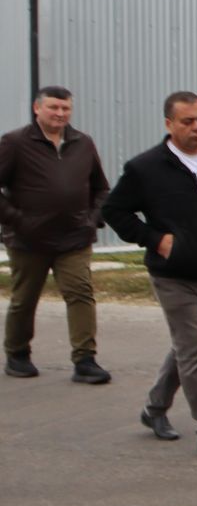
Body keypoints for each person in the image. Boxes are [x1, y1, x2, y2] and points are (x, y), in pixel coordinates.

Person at [102, 91, 197, 458]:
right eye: (188, 121)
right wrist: (155, 240)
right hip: (174, 277)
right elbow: (114, 210)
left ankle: (154, 409)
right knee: (193, 350)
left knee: (190, 348)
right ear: (169, 124)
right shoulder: (145, 168)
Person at [2, 85, 112, 384]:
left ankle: (85, 360)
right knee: (25, 298)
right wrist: (16, 220)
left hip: (74, 237)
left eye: (65, 108)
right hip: (29, 240)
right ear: (37, 109)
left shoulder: (82, 143)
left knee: (80, 294)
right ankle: (17, 354)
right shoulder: (15, 143)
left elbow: (101, 188)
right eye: (53, 107)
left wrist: (92, 220)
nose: (60, 113)